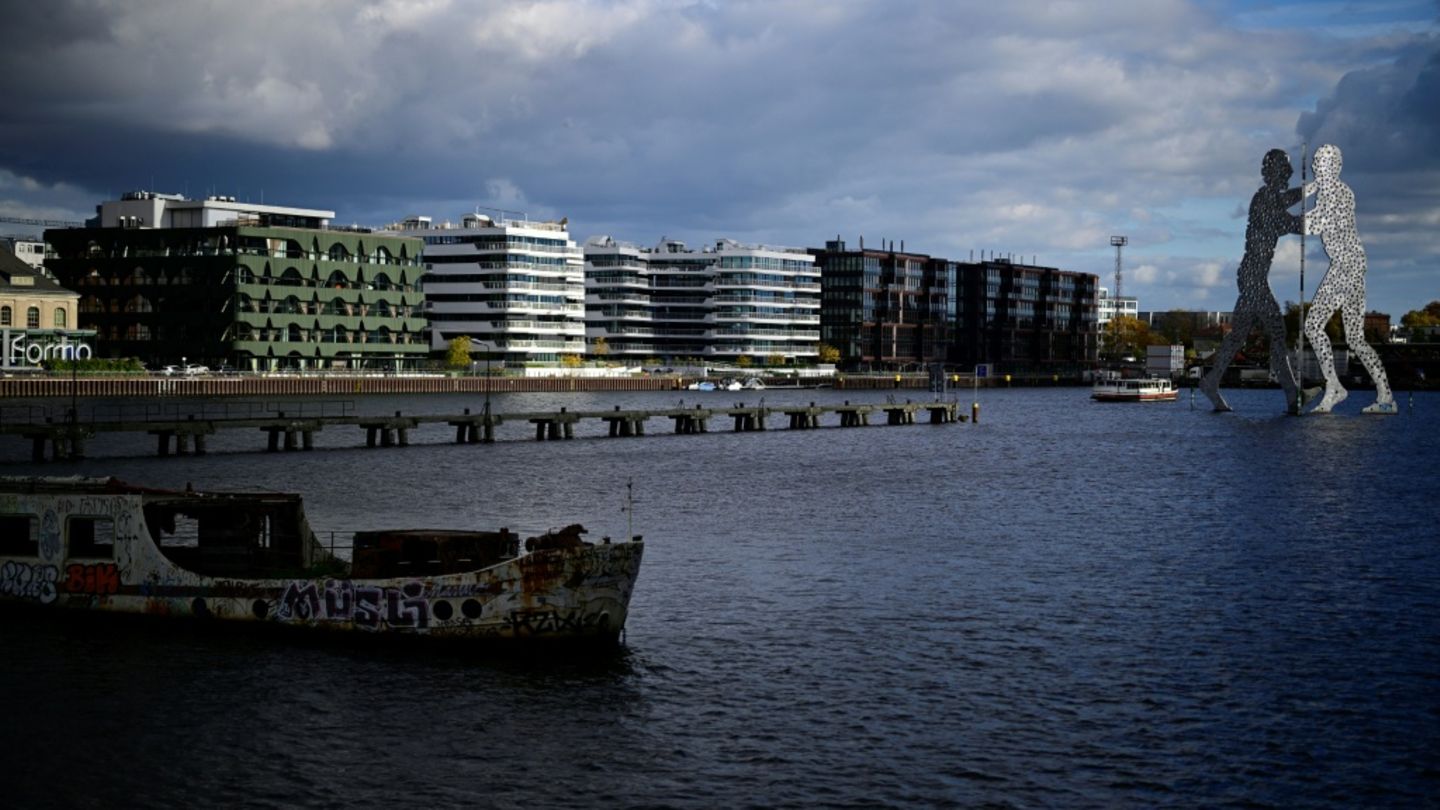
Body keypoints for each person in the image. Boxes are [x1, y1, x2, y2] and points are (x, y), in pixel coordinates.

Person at [1201, 149, 1304, 413]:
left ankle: (1211, 382)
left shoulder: (1269, 197)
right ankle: (1293, 397)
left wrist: (1313, 189)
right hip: (1253, 278)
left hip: (1251, 277)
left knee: (1237, 337)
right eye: (1285, 170)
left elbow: (1288, 200)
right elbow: (1287, 223)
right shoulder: (1263, 198)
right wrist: (1320, 217)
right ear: (1274, 172)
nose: (1290, 175)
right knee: (1278, 333)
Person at [1301, 144, 1395, 414]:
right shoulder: (1331, 192)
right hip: (1353, 265)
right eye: (1318, 163)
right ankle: (1385, 394)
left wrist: (1285, 221)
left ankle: (1334, 386)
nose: (1320, 168)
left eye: (1326, 164)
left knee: (1313, 325)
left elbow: (1317, 223)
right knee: (1355, 338)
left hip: (1345, 266)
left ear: (1337, 167)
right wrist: (1307, 192)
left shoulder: (1339, 194)